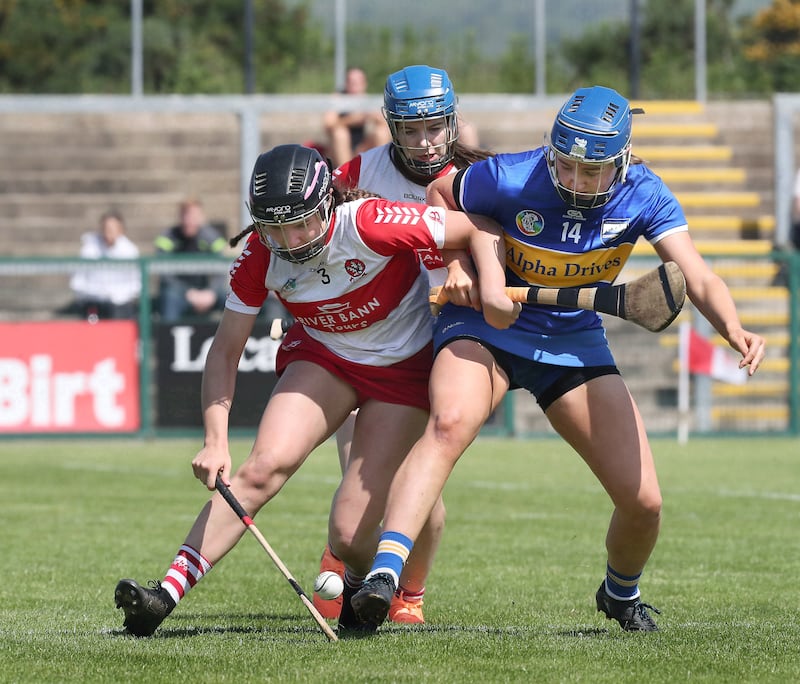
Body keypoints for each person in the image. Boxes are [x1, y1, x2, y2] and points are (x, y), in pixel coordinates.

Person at [350, 85, 767, 633]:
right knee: (450, 422)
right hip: (485, 323)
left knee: (643, 502)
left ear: (620, 161)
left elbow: (696, 274)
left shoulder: (646, 194)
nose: (574, 182)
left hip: (573, 339)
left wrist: (731, 326)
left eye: (591, 172)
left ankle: (620, 594)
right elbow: (440, 192)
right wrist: (458, 263)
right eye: (565, 167)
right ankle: (385, 575)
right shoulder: (511, 176)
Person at [113, 143, 512, 638]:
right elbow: (224, 352)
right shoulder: (261, 254)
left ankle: (361, 594)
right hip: (324, 357)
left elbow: (479, 227)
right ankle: (164, 596)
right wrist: (215, 440)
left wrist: (477, 277)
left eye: (300, 223)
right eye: (275, 227)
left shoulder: (369, 222)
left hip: (402, 370)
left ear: (327, 204)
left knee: (348, 535)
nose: (290, 240)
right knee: (260, 469)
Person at [310, 64, 493, 625]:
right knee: (360, 474)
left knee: (414, 481)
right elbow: (309, 240)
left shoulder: (483, 178)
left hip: (430, 348)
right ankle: (352, 568)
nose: (424, 141)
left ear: (452, 122)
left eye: (434, 127)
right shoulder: (355, 173)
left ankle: (406, 593)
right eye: (410, 130)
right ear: (390, 126)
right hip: (362, 341)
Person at [154, 197, 229, 322]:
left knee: (234, 300)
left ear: (201, 217)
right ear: (180, 216)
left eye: (194, 216)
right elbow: (164, 274)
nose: (190, 220)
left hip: (207, 292)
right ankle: (168, 340)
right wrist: (188, 292)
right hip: (179, 292)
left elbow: (222, 269)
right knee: (170, 298)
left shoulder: (211, 236)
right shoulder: (168, 237)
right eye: (187, 215)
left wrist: (212, 292)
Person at [68, 210, 141, 320]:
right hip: (94, 301)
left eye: (113, 229)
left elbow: (136, 282)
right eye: (106, 228)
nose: (109, 232)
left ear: (121, 230)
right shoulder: (90, 248)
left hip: (120, 303)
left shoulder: (130, 251)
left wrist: (117, 295)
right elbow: (78, 280)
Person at [322, 67, 391, 167]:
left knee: (381, 132)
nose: (355, 85)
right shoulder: (338, 98)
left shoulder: (366, 100)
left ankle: (381, 170)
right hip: (338, 148)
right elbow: (328, 125)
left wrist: (375, 118)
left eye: (358, 82)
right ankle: (345, 175)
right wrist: (351, 120)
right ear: (346, 83)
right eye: (352, 82)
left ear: (364, 84)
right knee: (340, 133)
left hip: (360, 146)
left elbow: (387, 125)